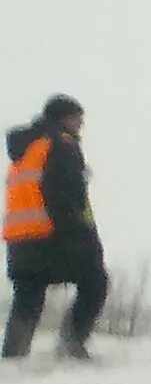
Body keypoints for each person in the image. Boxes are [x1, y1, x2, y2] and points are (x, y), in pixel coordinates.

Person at [3, 95, 108, 360]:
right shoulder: (61, 145)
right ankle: (71, 346)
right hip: (50, 237)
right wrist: (88, 242)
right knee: (95, 281)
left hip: (19, 242)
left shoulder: (26, 148)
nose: (80, 127)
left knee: (28, 296)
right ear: (64, 119)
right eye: (77, 120)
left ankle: (13, 358)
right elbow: (67, 198)